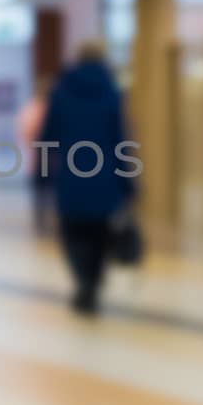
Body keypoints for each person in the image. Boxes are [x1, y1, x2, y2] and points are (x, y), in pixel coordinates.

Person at [41, 41, 133, 316]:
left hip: (71, 175)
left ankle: (83, 281)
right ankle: (92, 282)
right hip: (105, 177)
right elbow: (120, 139)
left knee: (73, 232)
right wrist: (128, 181)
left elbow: (49, 137)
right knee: (100, 233)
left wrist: (45, 175)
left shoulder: (61, 91)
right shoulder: (111, 92)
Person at [16, 78, 53, 237]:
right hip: (41, 156)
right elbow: (25, 133)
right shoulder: (34, 109)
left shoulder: (37, 109)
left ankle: (44, 220)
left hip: (45, 157)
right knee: (43, 190)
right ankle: (42, 220)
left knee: (44, 190)